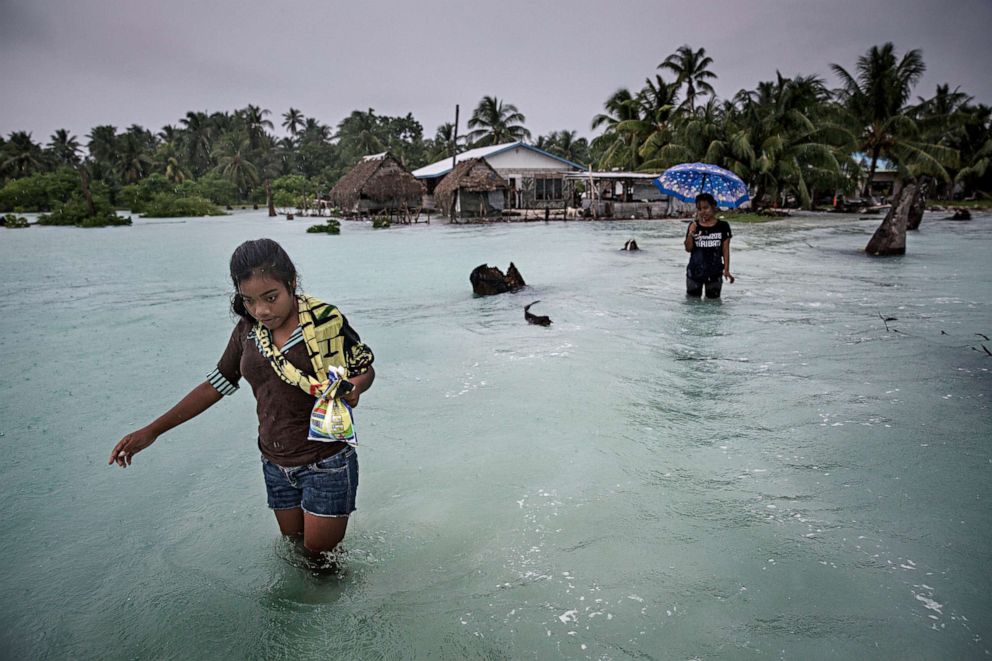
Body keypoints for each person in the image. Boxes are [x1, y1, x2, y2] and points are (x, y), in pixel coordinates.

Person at [108, 238, 375, 559]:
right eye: (248, 300)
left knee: (320, 559)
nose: (261, 310)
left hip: (327, 463)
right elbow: (216, 385)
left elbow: (364, 368)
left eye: (271, 297)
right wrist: (153, 430)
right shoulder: (247, 331)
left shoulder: (324, 323)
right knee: (294, 551)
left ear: (291, 284)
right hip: (275, 465)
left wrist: (356, 387)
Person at [683, 193, 734, 298]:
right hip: (694, 273)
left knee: (713, 307)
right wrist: (691, 233)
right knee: (692, 305)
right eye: (699, 209)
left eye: (706, 208)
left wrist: (727, 270)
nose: (703, 212)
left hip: (715, 273)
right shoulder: (693, 225)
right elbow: (688, 249)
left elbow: (725, 250)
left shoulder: (723, 226)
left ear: (713, 206)